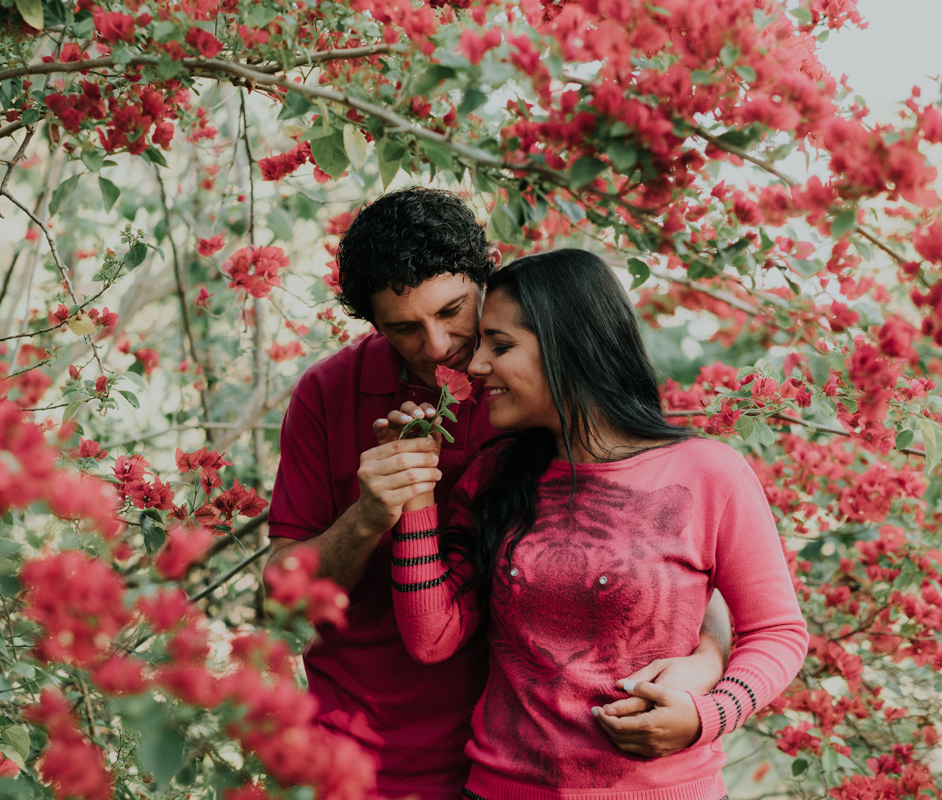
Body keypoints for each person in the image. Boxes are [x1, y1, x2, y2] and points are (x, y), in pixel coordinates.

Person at [266, 189, 733, 800]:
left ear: (486, 278)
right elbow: (283, 602)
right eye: (404, 328)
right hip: (368, 745)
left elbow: (671, 553)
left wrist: (711, 662)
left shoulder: (541, 390)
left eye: (453, 310)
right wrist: (368, 516)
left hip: (531, 749)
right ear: (373, 324)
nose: (437, 346)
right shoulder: (327, 395)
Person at [386, 250, 809, 800]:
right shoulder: (494, 476)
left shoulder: (709, 473)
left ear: (570, 344)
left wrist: (708, 714)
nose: (475, 365)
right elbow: (430, 637)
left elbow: (777, 630)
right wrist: (417, 493)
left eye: (502, 345)